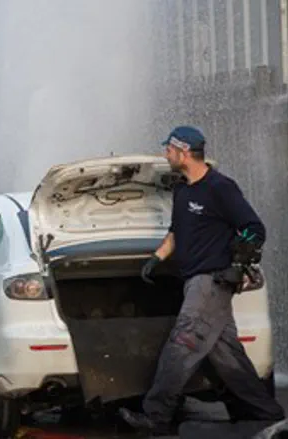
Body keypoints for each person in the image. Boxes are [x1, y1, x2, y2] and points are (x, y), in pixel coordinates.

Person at [119, 126, 285, 434]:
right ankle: (269, 413)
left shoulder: (220, 188)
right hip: (193, 281)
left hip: (212, 281)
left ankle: (156, 416)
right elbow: (176, 234)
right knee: (227, 355)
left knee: (181, 344)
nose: (165, 154)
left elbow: (253, 227)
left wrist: (240, 255)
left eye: (168, 149)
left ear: (184, 152)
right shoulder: (183, 191)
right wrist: (156, 258)